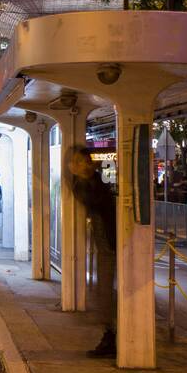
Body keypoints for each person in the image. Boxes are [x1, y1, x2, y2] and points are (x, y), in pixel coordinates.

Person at [69, 146, 117, 357]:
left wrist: (85, 178)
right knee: (103, 290)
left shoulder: (98, 182)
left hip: (111, 243)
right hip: (104, 242)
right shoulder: (84, 183)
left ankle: (112, 338)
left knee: (107, 290)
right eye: (74, 162)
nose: (76, 166)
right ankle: (110, 335)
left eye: (80, 161)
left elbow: (98, 202)